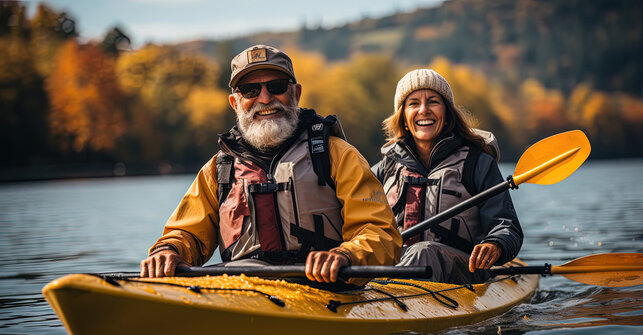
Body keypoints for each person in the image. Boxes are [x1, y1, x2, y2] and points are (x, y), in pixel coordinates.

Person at [140, 44, 402, 285]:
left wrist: (347, 254)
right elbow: (186, 233)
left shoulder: (338, 155)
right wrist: (168, 250)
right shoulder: (218, 169)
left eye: (276, 86)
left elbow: (380, 233)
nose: (265, 99)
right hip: (245, 292)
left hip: (326, 290)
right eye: (250, 91)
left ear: (295, 93)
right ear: (235, 102)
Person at [371, 69, 523, 284]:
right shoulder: (385, 168)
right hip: (396, 266)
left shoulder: (477, 163)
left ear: (448, 115)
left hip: (464, 269)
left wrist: (496, 244)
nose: (424, 110)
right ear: (403, 118)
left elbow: (506, 225)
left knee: (424, 253)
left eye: (433, 102)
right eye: (413, 103)